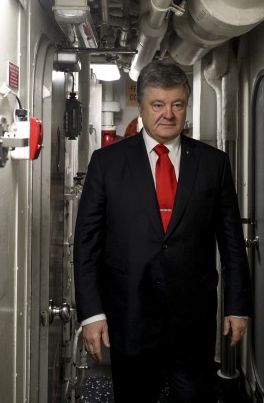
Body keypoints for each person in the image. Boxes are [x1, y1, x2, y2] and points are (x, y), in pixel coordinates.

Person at [73, 60, 252, 402]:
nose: (168, 114)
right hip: (130, 313)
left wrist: (237, 306)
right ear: (141, 107)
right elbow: (87, 244)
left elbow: (231, 241)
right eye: (158, 105)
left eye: (177, 105)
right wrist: (92, 313)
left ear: (186, 107)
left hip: (193, 318)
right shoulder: (107, 163)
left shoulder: (213, 164)